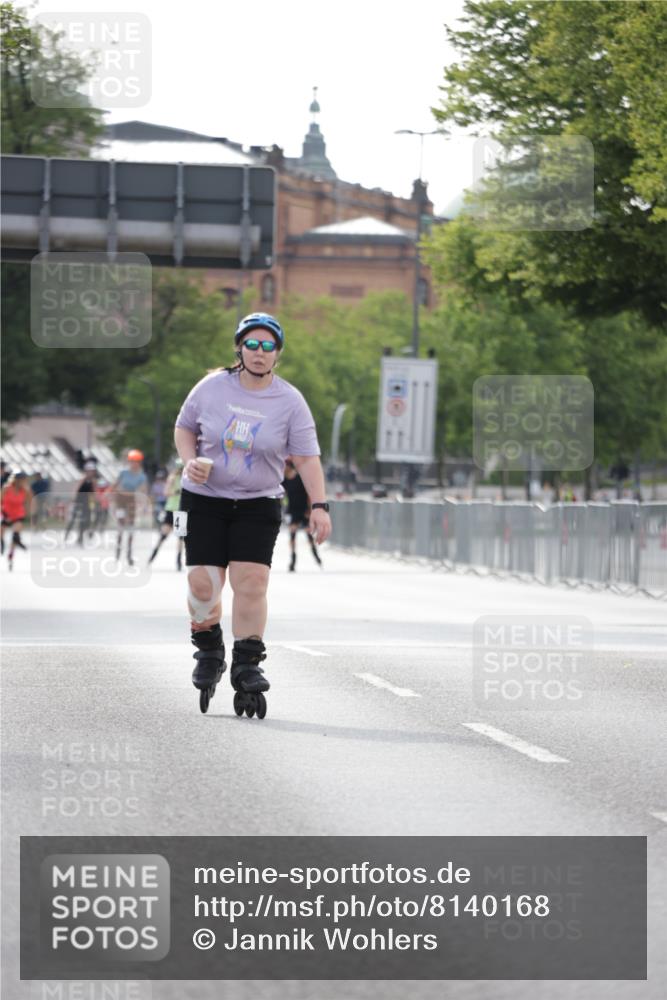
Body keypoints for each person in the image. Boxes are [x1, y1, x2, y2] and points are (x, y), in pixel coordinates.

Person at [174, 311, 331, 711]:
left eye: (268, 347)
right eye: (252, 344)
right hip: (204, 498)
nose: (260, 353)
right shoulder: (211, 388)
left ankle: (246, 663)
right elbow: (184, 426)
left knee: (252, 583)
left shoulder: (290, 401)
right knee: (203, 585)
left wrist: (319, 505)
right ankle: (209, 650)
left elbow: (308, 458)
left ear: (278, 354)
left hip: (258, 501)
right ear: (239, 348)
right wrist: (188, 459)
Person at [282, 459, 323, 572]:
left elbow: (308, 494)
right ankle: (293, 559)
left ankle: (316, 555)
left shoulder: (299, 478)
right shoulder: (284, 480)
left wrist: (310, 509)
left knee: (308, 534)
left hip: (303, 509)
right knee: (292, 534)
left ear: (289, 467)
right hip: (292, 510)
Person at [110, 449, 148, 566]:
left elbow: (143, 490)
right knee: (121, 526)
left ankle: (129, 555)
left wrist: (143, 503)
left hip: (131, 501)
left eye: (135, 461)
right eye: (131, 461)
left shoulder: (141, 476)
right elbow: (115, 486)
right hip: (121, 500)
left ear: (139, 462)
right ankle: (117, 552)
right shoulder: (123, 473)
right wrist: (113, 496)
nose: (133, 463)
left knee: (131, 527)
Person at [148, 459, 185, 570]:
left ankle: (178, 561)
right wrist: (176, 492)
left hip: (181, 510)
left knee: (180, 538)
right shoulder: (172, 478)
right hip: (171, 509)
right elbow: (166, 492)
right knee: (163, 535)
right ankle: (153, 555)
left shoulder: (187, 479)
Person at [1, 471, 33, 568]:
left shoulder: (25, 490)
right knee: (1, 533)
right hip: (5, 513)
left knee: (15, 536)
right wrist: (4, 514)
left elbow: (30, 501)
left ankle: (11, 555)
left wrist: (29, 513)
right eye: (22, 480)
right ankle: (2, 543)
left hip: (18, 515)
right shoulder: (6, 489)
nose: (23, 482)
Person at [65, 462, 98, 545]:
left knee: (86, 520)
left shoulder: (93, 481)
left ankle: (80, 537)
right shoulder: (83, 479)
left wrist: (96, 501)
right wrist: (73, 499)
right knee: (73, 518)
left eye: (92, 471)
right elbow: (76, 489)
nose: (91, 473)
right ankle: (67, 534)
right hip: (78, 501)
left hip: (86, 502)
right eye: (89, 471)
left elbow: (94, 492)